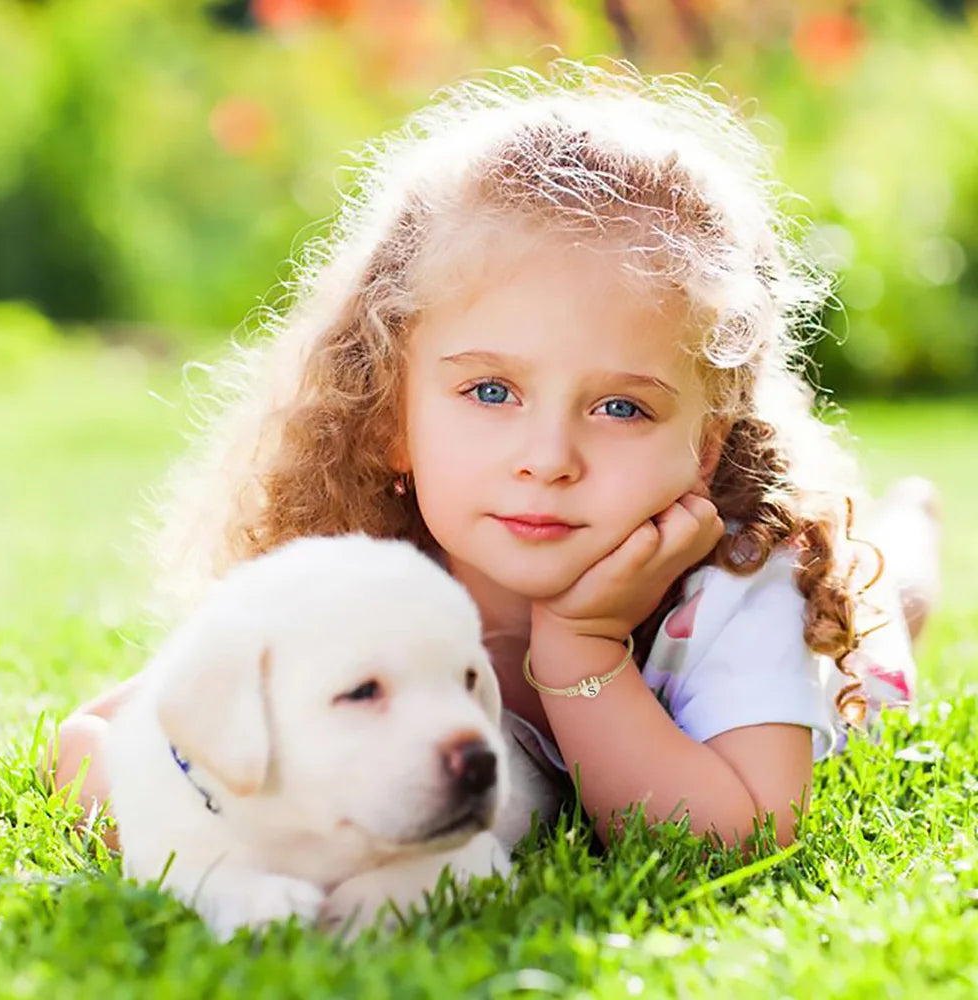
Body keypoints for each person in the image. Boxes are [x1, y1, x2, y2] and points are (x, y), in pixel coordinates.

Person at [52, 63, 936, 851]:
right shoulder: (369, 581)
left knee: (883, 602)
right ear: (391, 416)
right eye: (490, 393)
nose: (547, 459)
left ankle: (908, 528)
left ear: (704, 450)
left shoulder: (742, 581)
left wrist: (583, 652)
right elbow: (95, 741)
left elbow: (739, 834)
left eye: (621, 407)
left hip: (845, 667)